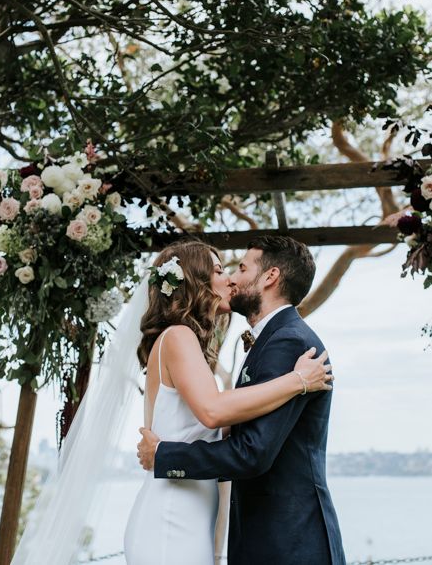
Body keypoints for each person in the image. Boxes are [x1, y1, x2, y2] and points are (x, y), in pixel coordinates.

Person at [137, 236, 345, 565]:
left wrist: (164, 455)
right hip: (181, 519)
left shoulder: (288, 341)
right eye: (222, 270)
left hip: (287, 540)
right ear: (195, 281)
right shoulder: (182, 337)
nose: (231, 278)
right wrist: (298, 381)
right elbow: (216, 414)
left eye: (240, 268)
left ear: (270, 277)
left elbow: (251, 450)